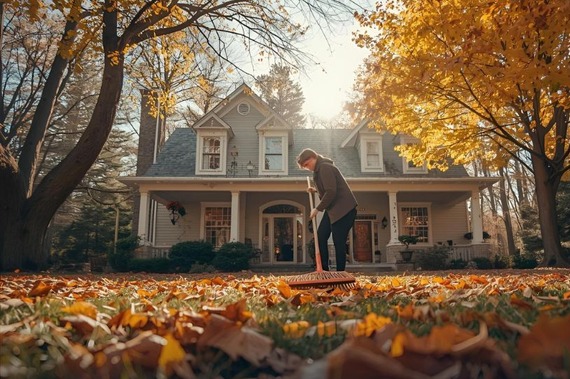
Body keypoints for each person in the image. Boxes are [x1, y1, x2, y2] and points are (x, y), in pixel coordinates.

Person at [296, 148, 358, 271]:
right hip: (333, 210)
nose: (307, 168)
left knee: (338, 242)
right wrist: (315, 190)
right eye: (304, 167)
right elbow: (328, 188)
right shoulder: (319, 170)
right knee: (320, 237)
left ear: (313, 157)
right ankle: (324, 270)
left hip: (344, 210)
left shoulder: (325, 167)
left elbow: (331, 191)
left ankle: (340, 273)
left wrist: (317, 209)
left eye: (307, 164)